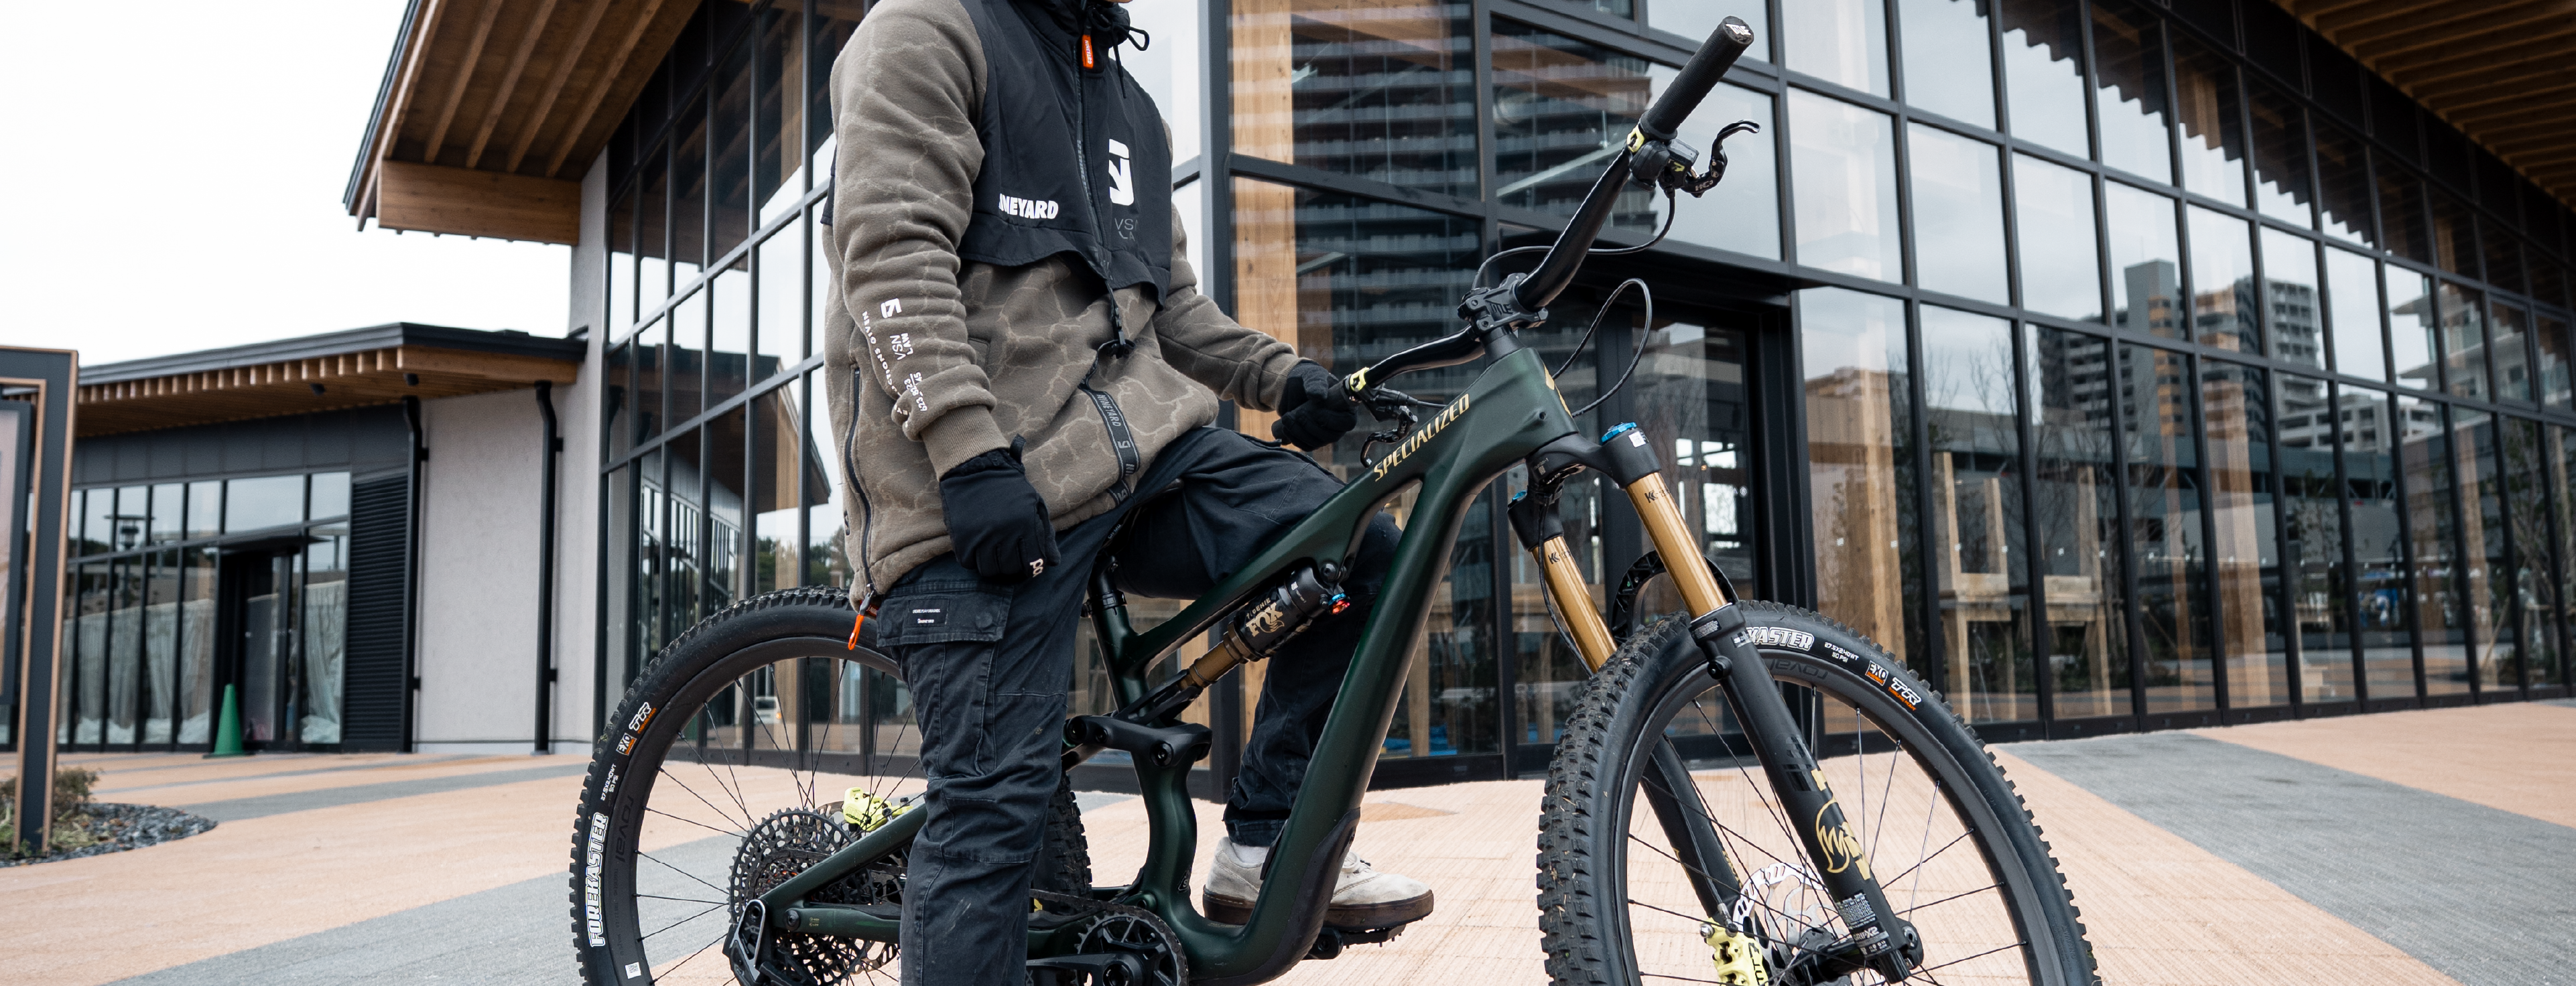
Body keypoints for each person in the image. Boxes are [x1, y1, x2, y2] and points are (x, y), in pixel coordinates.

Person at [820, 0, 1434, 981]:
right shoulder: (929, 26)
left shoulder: (1126, 103)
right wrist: (967, 451)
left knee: (1357, 544)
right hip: (973, 485)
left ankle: (1264, 842)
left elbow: (1173, 306)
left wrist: (1280, 379)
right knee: (991, 823)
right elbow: (889, 255)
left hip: (1137, 464)